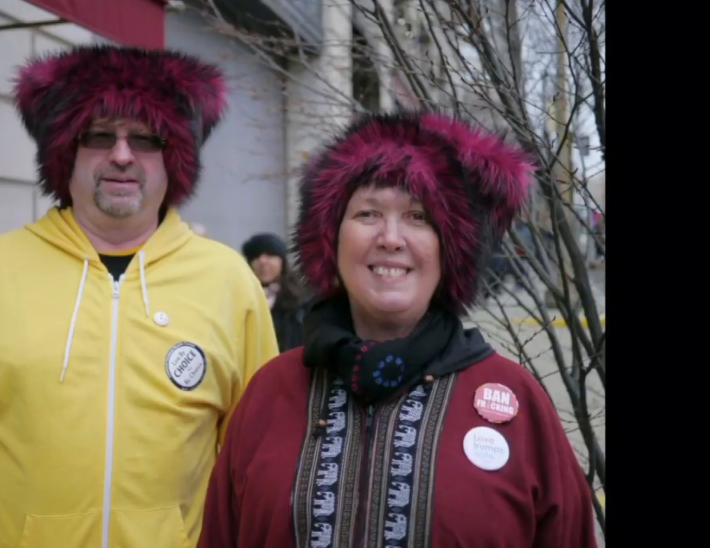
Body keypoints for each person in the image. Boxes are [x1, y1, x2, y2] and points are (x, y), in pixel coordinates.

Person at [0, 45, 280, 547]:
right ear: (65, 150)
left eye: (145, 137)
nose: (121, 154)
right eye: (98, 135)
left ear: (174, 156)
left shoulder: (229, 283)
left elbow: (257, 467)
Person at [200, 111, 598, 547]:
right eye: (368, 213)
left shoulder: (517, 402)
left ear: (451, 250)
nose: (391, 237)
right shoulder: (271, 392)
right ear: (332, 241)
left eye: (418, 217)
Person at [241, 233, 306, 352]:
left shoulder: (301, 298)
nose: (263, 261)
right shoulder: (241, 297)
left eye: (270, 255)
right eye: (256, 257)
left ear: (282, 262)